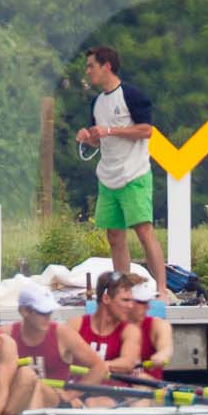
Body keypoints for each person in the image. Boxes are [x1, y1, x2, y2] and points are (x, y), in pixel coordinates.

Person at [75, 45, 169, 296]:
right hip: (108, 177)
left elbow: (146, 130)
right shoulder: (96, 103)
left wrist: (110, 130)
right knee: (114, 236)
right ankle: (122, 290)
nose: (88, 72)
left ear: (107, 66)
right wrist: (88, 137)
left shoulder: (131, 95)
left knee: (143, 230)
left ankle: (161, 288)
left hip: (134, 173)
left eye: (91, 66)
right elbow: (99, 140)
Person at [8, 282, 108, 408]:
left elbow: (100, 367)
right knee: (26, 379)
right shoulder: (6, 335)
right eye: (42, 312)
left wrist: (71, 395)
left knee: (37, 386)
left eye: (50, 311)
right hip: (20, 401)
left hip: (57, 402)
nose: (48, 317)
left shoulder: (63, 334)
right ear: (24, 311)